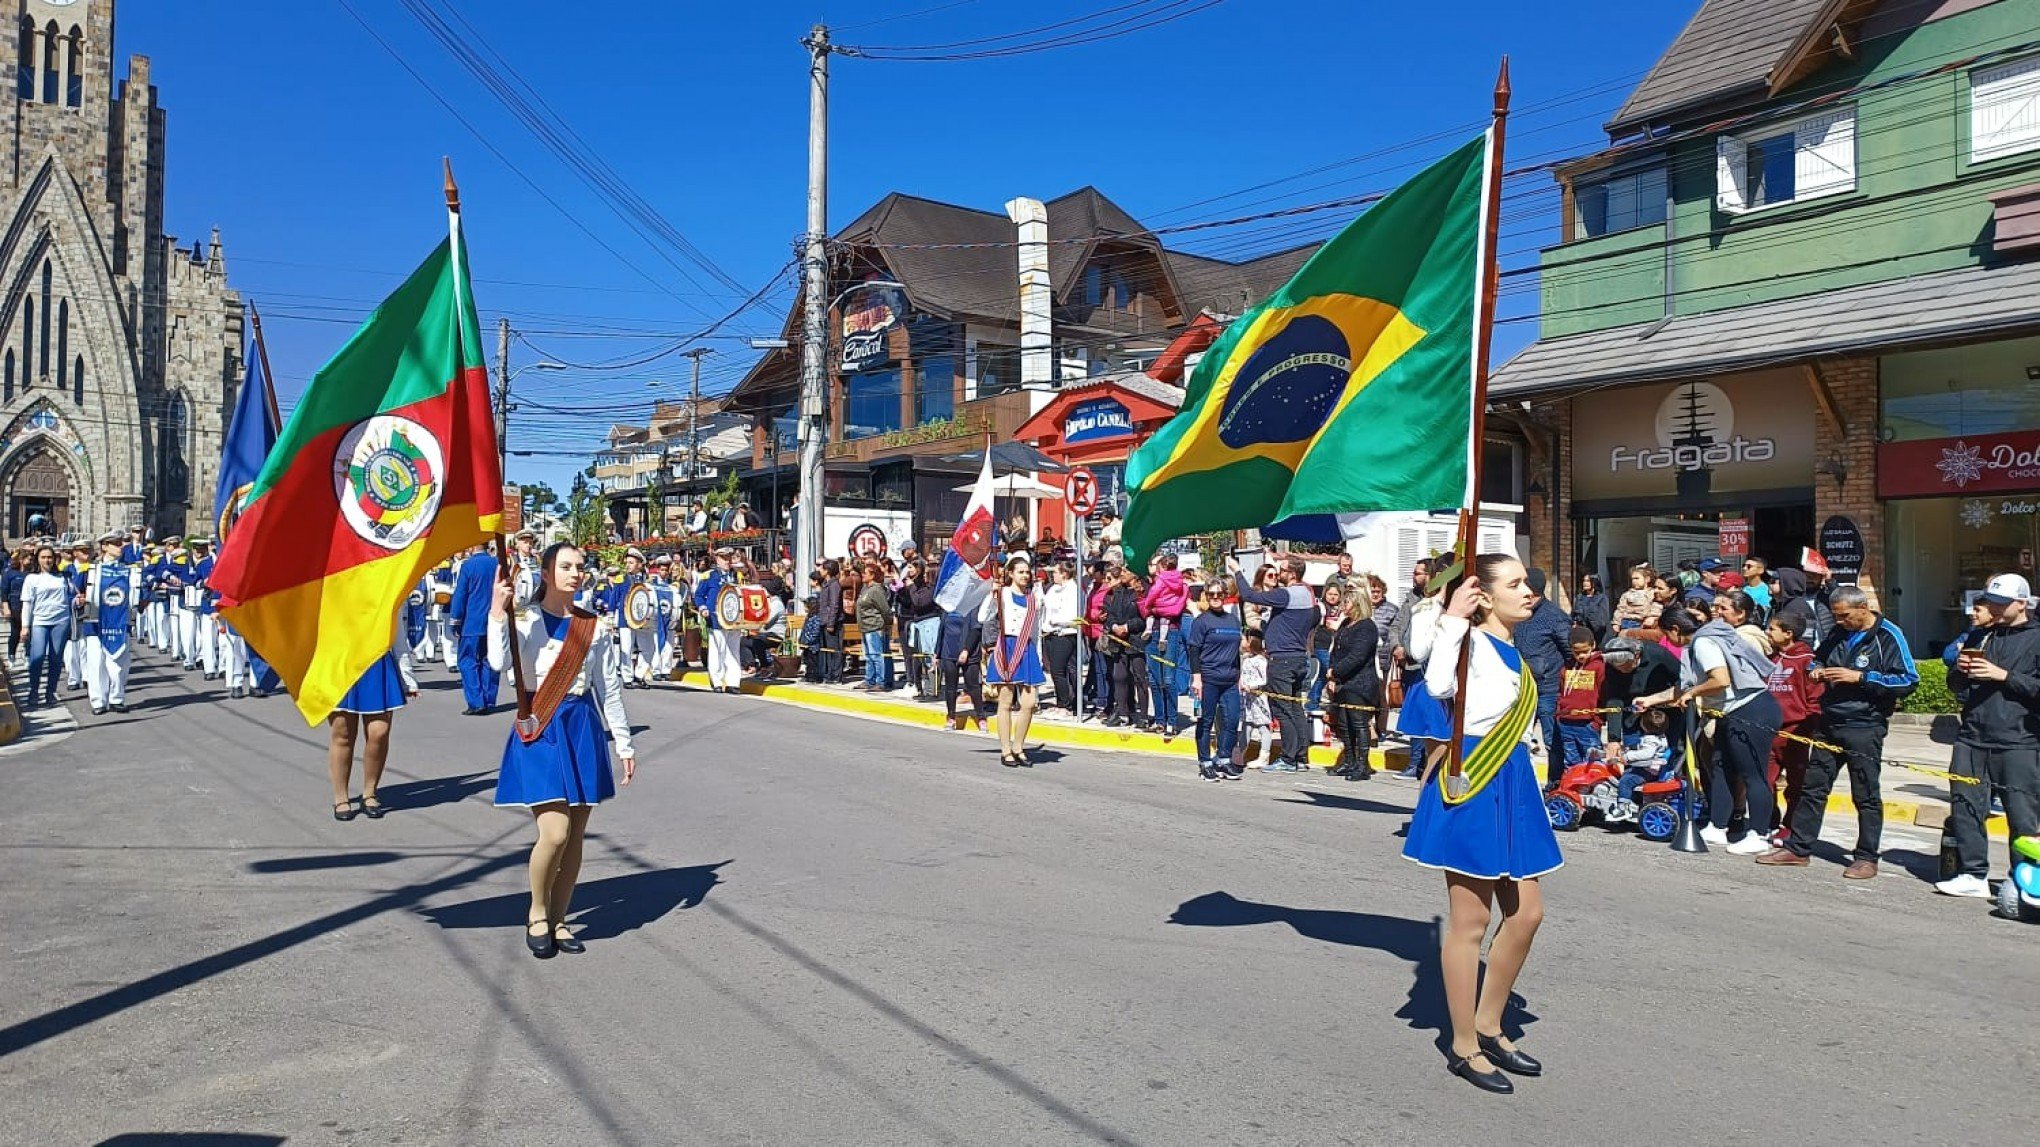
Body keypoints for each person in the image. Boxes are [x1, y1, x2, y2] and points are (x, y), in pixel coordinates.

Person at [1402, 555, 1561, 1095]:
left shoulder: (1512, 648)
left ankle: (1491, 1023)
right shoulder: (1465, 643)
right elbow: (1439, 683)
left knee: (1527, 914)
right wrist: (1451, 617)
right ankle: (1464, 1044)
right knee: (1470, 922)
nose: (1529, 591)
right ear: (1484, 596)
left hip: (1512, 779)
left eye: (1527, 583)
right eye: (1515, 584)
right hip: (1475, 777)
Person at [488, 541, 637, 959]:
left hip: (581, 728)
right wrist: (498, 612)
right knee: (554, 832)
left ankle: (560, 917)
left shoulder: (594, 626)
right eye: (567, 566)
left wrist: (623, 743)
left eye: (580, 567)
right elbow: (498, 665)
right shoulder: (525, 620)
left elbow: (609, 689)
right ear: (547, 571)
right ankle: (537, 910)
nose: (576, 573)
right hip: (542, 726)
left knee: (574, 838)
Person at [1757, 585, 1916, 878]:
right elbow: (1818, 657)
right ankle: (1799, 847)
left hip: (1864, 725)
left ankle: (1867, 856)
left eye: (1845, 616)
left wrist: (1861, 677)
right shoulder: (1838, 632)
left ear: (1863, 608)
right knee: (1813, 787)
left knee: (1865, 793)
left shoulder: (1888, 635)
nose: (1840, 622)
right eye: (1836, 617)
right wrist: (1816, 670)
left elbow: (1908, 679)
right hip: (1830, 722)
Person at [1635, 609, 1781, 854]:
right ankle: (1718, 825)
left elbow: (1720, 679)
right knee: (1719, 767)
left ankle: (1758, 833)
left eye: (1665, 635)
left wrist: (1693, 693)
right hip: (1729, 713)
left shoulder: (1703, 643)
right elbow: (1685, 689)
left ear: (1675, 630)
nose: (1665, 641)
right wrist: (1650, 700)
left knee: (1751, 773)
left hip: (1750, 710)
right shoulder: (1698, 644)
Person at [1936, 574, 2040, 899]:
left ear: (2022, 604)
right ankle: (1973, 873)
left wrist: (2004, 676)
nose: (1992, 607)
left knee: (2022, 815)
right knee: (1965, 805)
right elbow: (1955, 685)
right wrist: (1961, 671)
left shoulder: (2037, 638)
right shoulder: (1981, 635)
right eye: (1990, 601)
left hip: (2019, 739)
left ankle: (2023, 879)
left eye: (2000, 603)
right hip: (1972, 735)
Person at [327, 620, 417, 821]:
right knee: (343, 733)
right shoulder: (328, 587)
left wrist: (407, 676)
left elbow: (397, 631)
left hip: (377, 662)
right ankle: (341, 797)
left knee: (380, 732)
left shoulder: (385, 589)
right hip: (339, 660)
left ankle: (370, 792)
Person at [1234, 555, 1317, 773]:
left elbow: (1249, 595)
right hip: (1299, 657)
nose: (1279, 573)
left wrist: (1236, 571)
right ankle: (1300, 756)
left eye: (1282, 570)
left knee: (1282, 709)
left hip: (1283, 659)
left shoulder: (1286, 594)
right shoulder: (1308, 593)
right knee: (1296, 707)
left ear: (1292, 573)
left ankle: (1288, 759)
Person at [978, 555, 1045, 766]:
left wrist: (1038, 657)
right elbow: (983, 617)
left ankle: (1019, 746)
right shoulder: (1003, 594)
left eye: (1027, 572)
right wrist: (992, 595)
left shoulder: (1034, 599)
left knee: (1029, 703)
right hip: (1007, 647)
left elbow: (1035, 631)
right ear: (1011, 574)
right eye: (1021, 572)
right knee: (1005, 702)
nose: (1025, 575)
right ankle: (1006, 750)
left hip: (1026, 649)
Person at [1762, 611, 1822, 842]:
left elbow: (1814, 698)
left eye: (1772, 629)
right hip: (1768, 730)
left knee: (1796, 784)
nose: (1768, 633)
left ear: (1788, 634)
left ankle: (1790, 826)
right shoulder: (1771, 659)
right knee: (1764, 780)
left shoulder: (1806, 660)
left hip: (1795, 732)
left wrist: (1810, 726)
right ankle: (1769, 821)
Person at [1515, 568, 1572, 785]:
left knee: (1551, 740)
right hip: (1522, 687)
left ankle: (1555, 783)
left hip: (1548, 688)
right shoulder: (1519, 613)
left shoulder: (1555, 617)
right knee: (1519, 738)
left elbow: (1570, 652)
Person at [1186, 579, 1244, 781]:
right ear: (1206, 596)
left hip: (1230, 679)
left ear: (1225, 595)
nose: (1216, 598)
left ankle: (1224, 758)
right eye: (1212, 594)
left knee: (1233, 719)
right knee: (1206, 720)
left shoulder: (1233, 621)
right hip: (1209, 678)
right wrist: (1196, 678)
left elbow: (1236, 651)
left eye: (1220, 594)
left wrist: (1239, 675)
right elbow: (1194, 650)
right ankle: (1205, 762)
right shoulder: (1201, 622)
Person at [80, 532, 142, 716]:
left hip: (120, 622)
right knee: (96, 663)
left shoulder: (130, 570)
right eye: (115, 543)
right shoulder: (90, 570)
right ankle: (98, 701)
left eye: (121, 543)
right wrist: (79, 599)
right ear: (104, 546)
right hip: (95, 623)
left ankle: (117, 698)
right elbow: (75, 589)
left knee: (119, 663)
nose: (120, 546)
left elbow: (138, 590)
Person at [1325, 589, 1380, 781]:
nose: (1343, 606)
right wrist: (1332, 677)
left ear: (1357, 605)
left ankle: (1362, 765)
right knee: (1343, 724)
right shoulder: (1346, 625)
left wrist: (1336, 671)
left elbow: (1358, 656)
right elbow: (1336, 651)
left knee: (1358, 723)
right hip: (1342, 683)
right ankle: (1349, 761)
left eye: (1347, 603)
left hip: (1360, 682)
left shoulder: (1367, 627)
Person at [1141, 552, 1191, 737]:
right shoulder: (1152, 585)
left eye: (1157, 564)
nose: (1155, 568)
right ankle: (1160, 720)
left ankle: (1172, 721)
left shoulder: (1182, 586)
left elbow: (1176, 609)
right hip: (1153, 631)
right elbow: (1144, 608)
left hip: (1171, 631)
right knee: (1154, 679)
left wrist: (1154, 608)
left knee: (1168, 678)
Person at [449, 543, 503, 715]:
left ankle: (476, 701)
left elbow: (461, 594)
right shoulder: (497, 563)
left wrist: (455, 619)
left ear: (472, 546)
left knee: (468, 661)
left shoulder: (468, 565)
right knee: (490, 660)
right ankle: (488, 699)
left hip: (472, 622)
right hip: (494, 620)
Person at [21, 545, 72, 709]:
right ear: (37, 559)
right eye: (43, 557)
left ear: (54, 558)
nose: (47, 560)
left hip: (61, 621)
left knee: (56, 659)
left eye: (49, 557)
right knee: (37, 658)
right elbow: (27, 604)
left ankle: (50, 693)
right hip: (40, 622)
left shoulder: (63, 577)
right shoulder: (31, 579)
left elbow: (72, 597)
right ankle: (33, 692)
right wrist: (25, 626)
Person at [1100, 564, 1148, 727]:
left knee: (1139, 677)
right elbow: (1111, 614)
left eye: (1126, 571)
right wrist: (1114, 626)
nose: (1122, 574)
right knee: (1119, 676)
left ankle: (1143, 715)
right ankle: (1123, 713)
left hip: (1135, 640)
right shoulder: (1119, 593)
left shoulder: (1141, 593)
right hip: (1117, 641)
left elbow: (1144, 618)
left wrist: (1127, 627)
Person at [1555, 627, 1608, 773]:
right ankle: (1574, 791)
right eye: (1577, 652)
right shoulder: (1567, 667)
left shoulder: (1599, 666)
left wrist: (1597, 721)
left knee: (1593, 764)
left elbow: (1604, 695)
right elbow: (1561, 691)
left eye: (1585, 651)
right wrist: (1559, 714)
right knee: (1571, 763)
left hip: (1588, 723)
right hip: (1566, 722)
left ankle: (1594, 789)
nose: (1581, 656)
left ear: (1593, 645)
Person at [693, 547, 745, 694]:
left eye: (729, 558)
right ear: (717, 559)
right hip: (716, 618)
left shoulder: (736, 575)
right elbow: (698, 595)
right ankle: (716, 681)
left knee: (733, 651)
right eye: (724, 558)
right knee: (718, 650)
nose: (727, 561)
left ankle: (733, 682)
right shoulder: (709, 576)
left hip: (734, 619)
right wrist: (703, 608)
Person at [937, 601, 988, 733]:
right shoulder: (948, 606)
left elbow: (976, 629)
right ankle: (951, 717)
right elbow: (941, 630)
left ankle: (981, 718)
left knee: (973, 687)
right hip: (948, 652)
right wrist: (937, 653)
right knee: (950, 687)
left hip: (969, 653)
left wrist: (966, 650)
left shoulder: (972, 605)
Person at [1040, 562, 1083, 716]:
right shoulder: (1053, 589)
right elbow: (1046, 606)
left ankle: (1064, 703)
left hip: (1065, 633)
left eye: (1056, 572)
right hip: (1051, 633)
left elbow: (1072, 615)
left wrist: (1056, 621)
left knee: (1059, 670)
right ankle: (1064, 700)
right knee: (1056, 670)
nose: (1053, 575)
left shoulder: (1073, 590)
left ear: (1064, 573)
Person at [1615, 707, 1674, 806]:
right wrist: (1631, 747)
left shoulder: (1650, 739)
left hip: (1647, 771)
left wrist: (1627, 756)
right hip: (1653, 769)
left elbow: (1646, 753)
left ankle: (1623, 806)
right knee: (1627, 773)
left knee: (1625, 781)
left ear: (1644, 726)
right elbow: (1647, 747)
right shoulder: (1661, 736)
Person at [855, 560, 895, 692]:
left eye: (865, 573)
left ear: (873, 575)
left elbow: (885, 609)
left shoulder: (876, 590)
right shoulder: (866, 589)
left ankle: (880, 681)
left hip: (875, 626)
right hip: (866, 627)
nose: (863, 575)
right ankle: (869, 679)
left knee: (876, 655)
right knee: (869, 656)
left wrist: (887, 624)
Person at [1239, 633, 1274, 770]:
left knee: (1263, 727)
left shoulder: (1261, 661)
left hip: (1258, 698)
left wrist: (1252, 686)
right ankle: (1240, 754)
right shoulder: (1247, 659)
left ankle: (1264, 756)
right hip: (1247, 699)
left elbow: (1264, 680)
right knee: (1246, 727)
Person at [1308, 583, 1345, 713]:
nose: (1333, 597)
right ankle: (1314, 702)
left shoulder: (1342, 609)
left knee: (1323, 676)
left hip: (1333, 645)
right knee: (1330, 672)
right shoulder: (1321, 607)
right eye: (1330, 594)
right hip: (1321, 644)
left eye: (1336, 594)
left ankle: (1312, 701)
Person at [816, 559, 847, 685]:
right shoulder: (826, 583)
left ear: (827, 570)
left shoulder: (834, 585)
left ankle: (836, 675)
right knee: (827, 650)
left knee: (835, 650)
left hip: (832, 622)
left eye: (822, 568)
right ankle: (828, 673)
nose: (820, 570)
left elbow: (834, 605)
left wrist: (831, 623)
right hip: (824, 620)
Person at [3, 547, 29, 662]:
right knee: (15, 631)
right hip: (14, 605)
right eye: (29, 558)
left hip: (28, 605)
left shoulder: (31, 574)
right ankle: (11, 654)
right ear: (21, 559)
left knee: (29, 631)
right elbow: (4, 591)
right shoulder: (10, 574)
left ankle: (28, 654)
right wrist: (5, 607)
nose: (31, 560)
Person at [1613, 566, 1657, 631]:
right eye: (1632, 579)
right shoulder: (1627, 594)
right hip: (1626, 622)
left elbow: (1656, 606)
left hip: (1642, 623)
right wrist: (1616, 623)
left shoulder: (1652, 593)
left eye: (1637, 578)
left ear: (1647, 579)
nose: (1634, 581)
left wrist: (1652, 617)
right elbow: (1620, 609)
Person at [1571, 574, 1610, 644]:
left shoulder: (1602, 598)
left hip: (1597, 635)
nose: (1584, 583)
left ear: (1594, 582)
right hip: (1581, 633)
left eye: (1588, 581)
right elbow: (1574, 614)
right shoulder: (1579, 597)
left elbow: (1603, 620)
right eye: (1584, 580)